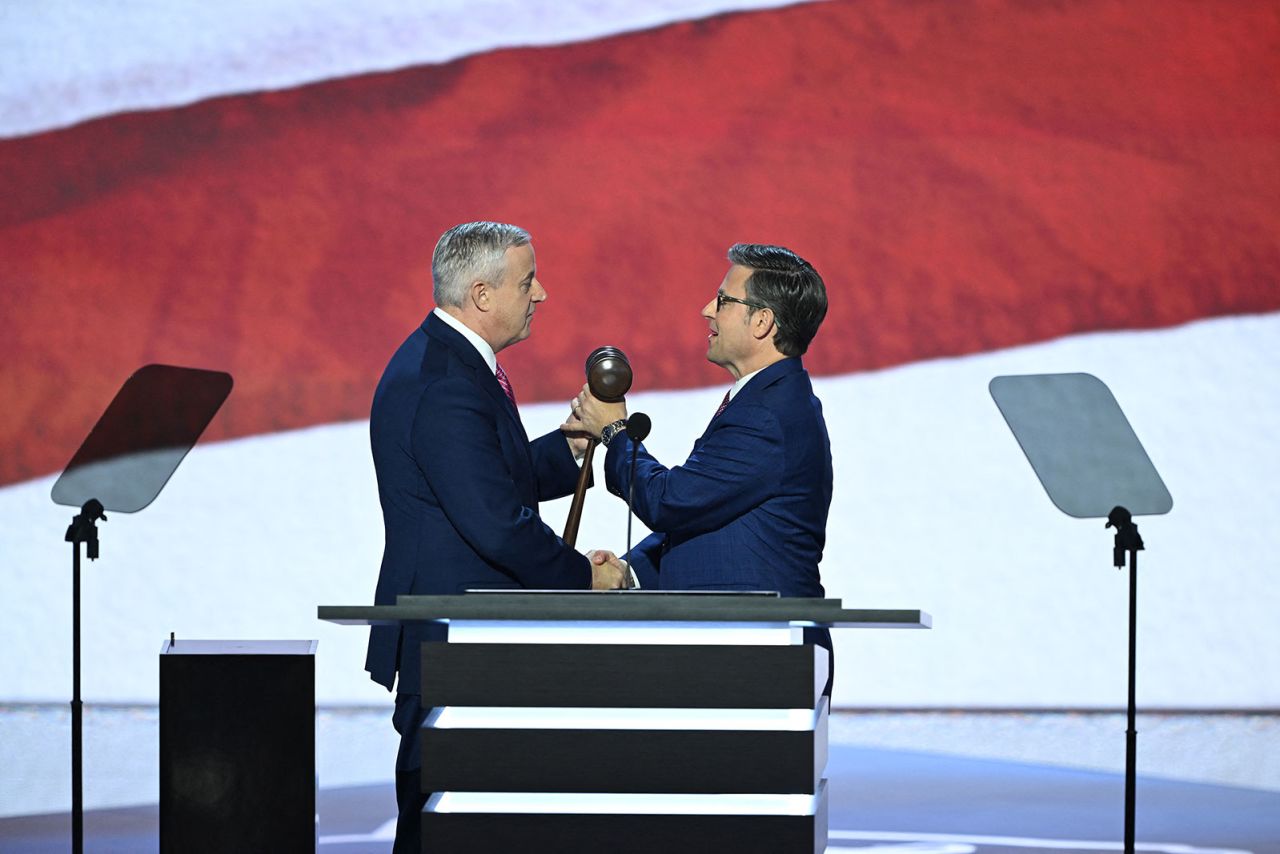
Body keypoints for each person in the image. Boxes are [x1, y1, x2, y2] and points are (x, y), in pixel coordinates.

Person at [367, 221, 629, 853]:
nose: (541, 294)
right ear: (482, 294)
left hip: (467, 638)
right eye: (528, 280)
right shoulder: (447, 381)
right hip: (456, 639)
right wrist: (581, 577)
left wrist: (574, 446)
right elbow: (494, 524)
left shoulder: (454, 363)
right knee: (445, 822)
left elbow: (491, 478)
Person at [572, 242, 834, 691]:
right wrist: (629, 572)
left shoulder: (768, 414)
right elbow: (707, 519)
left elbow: (672, 501)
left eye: (724, 300)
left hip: (760, 656)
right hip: (738, 651)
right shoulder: (764, 400)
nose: (706, 310)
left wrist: (614, 433)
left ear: (762, 321)